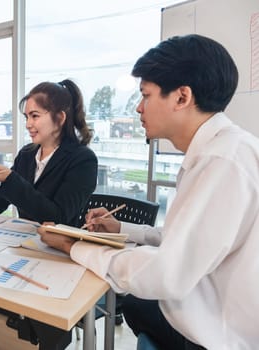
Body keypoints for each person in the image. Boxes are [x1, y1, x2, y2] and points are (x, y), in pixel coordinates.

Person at [38, 34, 259, 349]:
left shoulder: (222, 161)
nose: (139, 108)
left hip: (219, 334)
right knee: (139, 308)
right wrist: (122, 229)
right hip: (209, 308)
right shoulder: (220, 150)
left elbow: (167, 273)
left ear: (182, 97)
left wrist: (74, 247)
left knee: (136, 304)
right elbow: (184, 241)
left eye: (146, 95)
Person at [0, 79, 98, 227]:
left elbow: (58, 218)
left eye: (35, 116)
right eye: (26, 117)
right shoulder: (26, 154)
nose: (28, 124)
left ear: (60, 117)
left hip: (60, 248)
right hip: (25, 242)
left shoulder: (83, 160)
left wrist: (11, 179)